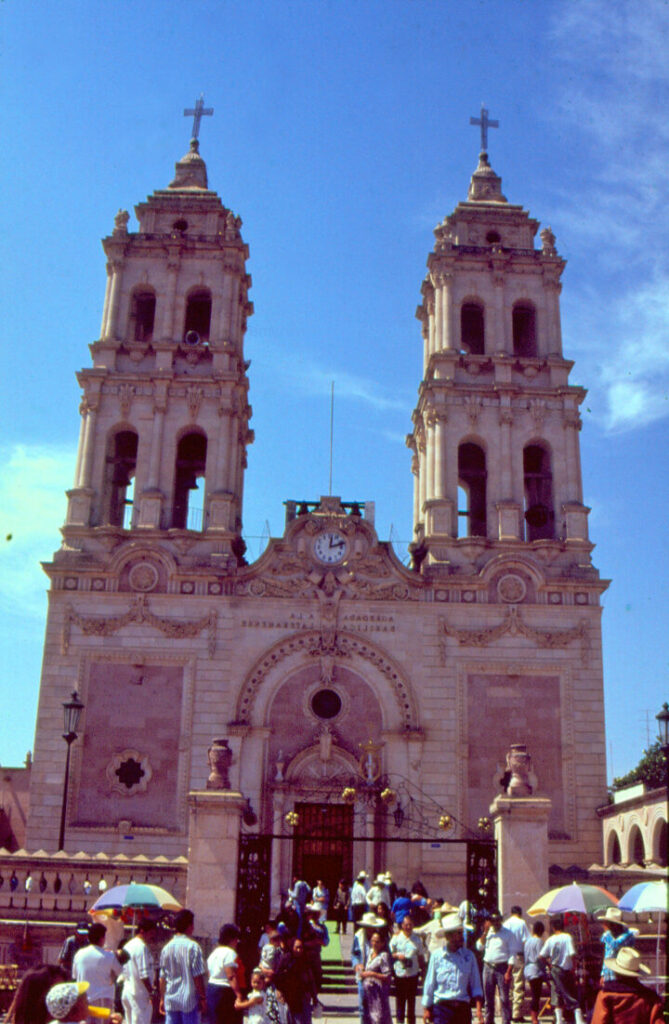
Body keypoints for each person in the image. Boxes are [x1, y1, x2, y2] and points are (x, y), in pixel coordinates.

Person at [422, 911, 483, 1024]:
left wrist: (479, 1010)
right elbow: (429, 984)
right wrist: (426, 1008)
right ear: (449, 936)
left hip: (463, 1010)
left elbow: (476, 985)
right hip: (441, 1010)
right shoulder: (437, 956)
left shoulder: (469, 957)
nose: (462, 937)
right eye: (459, 933)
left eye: (462, 932)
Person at [158, 908, 207, 1024]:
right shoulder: (193, 947)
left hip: (171, 999)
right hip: (189, 1001)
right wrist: (203, 997)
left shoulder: (166, 948)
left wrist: (161, 999)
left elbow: (162, 978)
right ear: (190, 926)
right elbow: (197, 976)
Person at [590, 948, 662, 1024]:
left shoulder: (605, 995)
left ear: (616, 972)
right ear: (636, 974)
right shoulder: (651, 998)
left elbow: (599, 1021)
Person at [539, 915, 585, 1024]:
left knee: (557, 994)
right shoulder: (567, 937)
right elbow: (572, 953)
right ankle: (578, 1019)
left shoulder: (550, 939)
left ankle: (559, 1020)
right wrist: (574, 968)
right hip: (567, 969)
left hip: (555, 969)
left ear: (553, 927)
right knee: (571, 993)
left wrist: (549, 965)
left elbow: (541, 956)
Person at [72, 922, 122, 1013]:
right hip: (103, 998)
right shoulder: (109, 956)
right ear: (102, 938)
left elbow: (75, 976)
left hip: (84, 999)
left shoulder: (78, 954)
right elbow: (120, 972)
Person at [475, 910, 513, 1024]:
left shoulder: (508, 933)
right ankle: (489, 1021)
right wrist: (485, 932)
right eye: (493, 920)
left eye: (497, 920)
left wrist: (508, 972)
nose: (495, 923)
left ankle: (506, 1021)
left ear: (501, 920)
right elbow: (479, 947)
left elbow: (512, 954)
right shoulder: (488, 933)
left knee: (504, 999)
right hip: (488, 967)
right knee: (488, 999)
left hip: (502, 968)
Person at [120, 917, 156, 1024]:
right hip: (139, 994)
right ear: (142, 931)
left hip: (128, 991)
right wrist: (151, 992)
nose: (152, 936)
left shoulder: (127, 945)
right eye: (151, 933)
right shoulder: (141, 947)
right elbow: (143, 974)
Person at [390, 914, 425, 1024]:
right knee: (400, 1000)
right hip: (399, 973)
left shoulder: (417, 940)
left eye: (410, 925)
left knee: (411, 1001)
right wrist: (397, 956)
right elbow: (389, 953)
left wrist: (423, 972)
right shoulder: (396, 937)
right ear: (402, 925)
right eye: (406, 925)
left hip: (412, 974)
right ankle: (399, 1021)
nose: (408, 927)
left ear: (413, 925)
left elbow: (421, 957)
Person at [352, 912, 386, 1023]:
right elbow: (354, 953)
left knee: (377, 1007)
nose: (369, 930)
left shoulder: (380, 938)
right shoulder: (359, 936)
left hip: (376, 976)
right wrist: (357, 964)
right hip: (363, 975)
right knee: (363, 1005)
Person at [275, 937, 318, 1024]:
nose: (299, 950)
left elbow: (311, 979)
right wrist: (279, 990)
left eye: (301, 947)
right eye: (297, 947)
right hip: (288, 996)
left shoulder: (305, 960)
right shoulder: (285, 959)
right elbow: (277, 976)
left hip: (302, 996)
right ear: (292, 947)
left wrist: (314, 996)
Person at [206, 922, 242, 1024]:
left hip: (211, 989)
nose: (237, 941)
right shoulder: (230, 953)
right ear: (231, 939)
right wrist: (239, 995)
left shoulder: (213, 953)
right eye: (236, 939)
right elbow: (231, 976)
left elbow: (210, 974)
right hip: (224, 993)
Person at [503, 907, 530, 1022]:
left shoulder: (505, 923)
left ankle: (508, 1013)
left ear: (511, 913)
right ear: (520, 913)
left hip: (506, 956)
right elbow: (526, 940)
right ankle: (516, 1013)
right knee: (518, 986)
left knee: (508, 986)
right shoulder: (522, 923)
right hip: (518, 956)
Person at [596, 909, 637, 985]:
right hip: (609, 975)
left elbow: (615, 945)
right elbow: (607, 955)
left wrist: (607, 932)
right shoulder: (609, 936)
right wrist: (603, 974)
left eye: (607, 923)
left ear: (614, 924)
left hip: (621, 975)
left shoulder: (627, 935)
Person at [360, 929, 393, 1024]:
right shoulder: (370, 953)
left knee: (378, 1018)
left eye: (377, 942)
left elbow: (387, 976)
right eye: (372, 941)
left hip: (378, 994)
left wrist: (372, 974)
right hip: (368, 993)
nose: (374, 943)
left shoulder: (383, 956)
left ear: (382, 943)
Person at [523, 921, 546, 1024]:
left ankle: (534, 1018)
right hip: (536, 970)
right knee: (536, 995)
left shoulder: (527, 941)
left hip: (527, 969)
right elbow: (540, 957)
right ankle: (534, 1019)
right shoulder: (539, 942)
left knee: (534, 994)